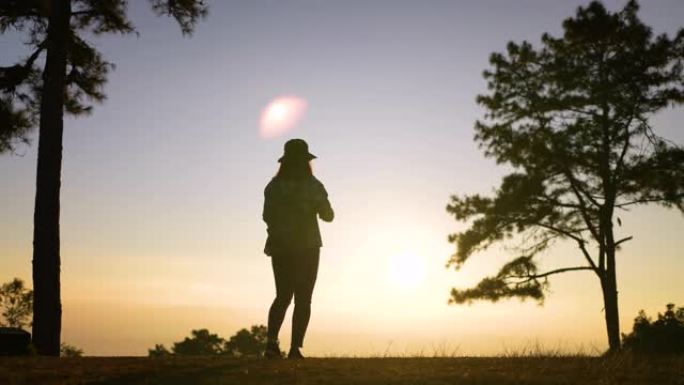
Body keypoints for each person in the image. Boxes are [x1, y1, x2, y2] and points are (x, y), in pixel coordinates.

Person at [262, 138, 334, 359]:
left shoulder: (273, 187)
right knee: (304, 298)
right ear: (306, 161)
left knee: (282, 296)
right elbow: (328, 216)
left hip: (281, 246)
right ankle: (295, 348)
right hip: (308, 246)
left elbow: (267, 216)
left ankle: (271, 345)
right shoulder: (314, 186)